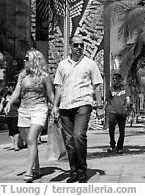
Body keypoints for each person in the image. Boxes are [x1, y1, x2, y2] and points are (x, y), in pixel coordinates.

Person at [52, 35, 104, 183]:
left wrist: (99, 106)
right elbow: (59, 87)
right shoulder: (62, 65)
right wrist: (55, 106)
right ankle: (73, 170)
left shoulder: (90, 64)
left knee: (78, 136)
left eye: (81, 45)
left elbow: (97, 85)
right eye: (76, 45)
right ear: (71, 47)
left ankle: (82, 171)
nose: (79, 48)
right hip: (65, 106)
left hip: (83, 103)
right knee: (68, 141)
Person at [5, 49, 54, 183]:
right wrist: (9, 103)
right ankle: (37, 168)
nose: (24, 61)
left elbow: (50, 94)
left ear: (34, 60)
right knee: (29, 142)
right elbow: (17, 91)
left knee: (32, 139)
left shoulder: (44, 76)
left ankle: (29, 172)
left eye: (27, 58)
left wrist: (55, 107)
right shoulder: (22, 75)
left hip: (39, 109)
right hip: (24, 110)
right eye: (24, 58)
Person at [106, 73, 131, 154]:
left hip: (122, 112)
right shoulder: (110, 89)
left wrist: (127, 108)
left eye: (116, 78)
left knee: (122, 130)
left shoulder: (125, 89)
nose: (114, 80)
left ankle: (120, 147)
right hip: (112, 112)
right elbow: (108, 101)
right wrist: (104, 110)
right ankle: (112, 145)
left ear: (120, 79)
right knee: (111, 129)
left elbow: (128, 99)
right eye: (113, 79)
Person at [0, 83, 20, 151]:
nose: (8, 88)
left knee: (14, 128)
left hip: (16, 113)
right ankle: (12, 144)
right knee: (10, 129)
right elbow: (1, 104)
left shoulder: (17, 94)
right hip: (8, 114)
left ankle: (16, 145)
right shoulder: (6, 94)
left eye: (9, 87)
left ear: (12, 87)